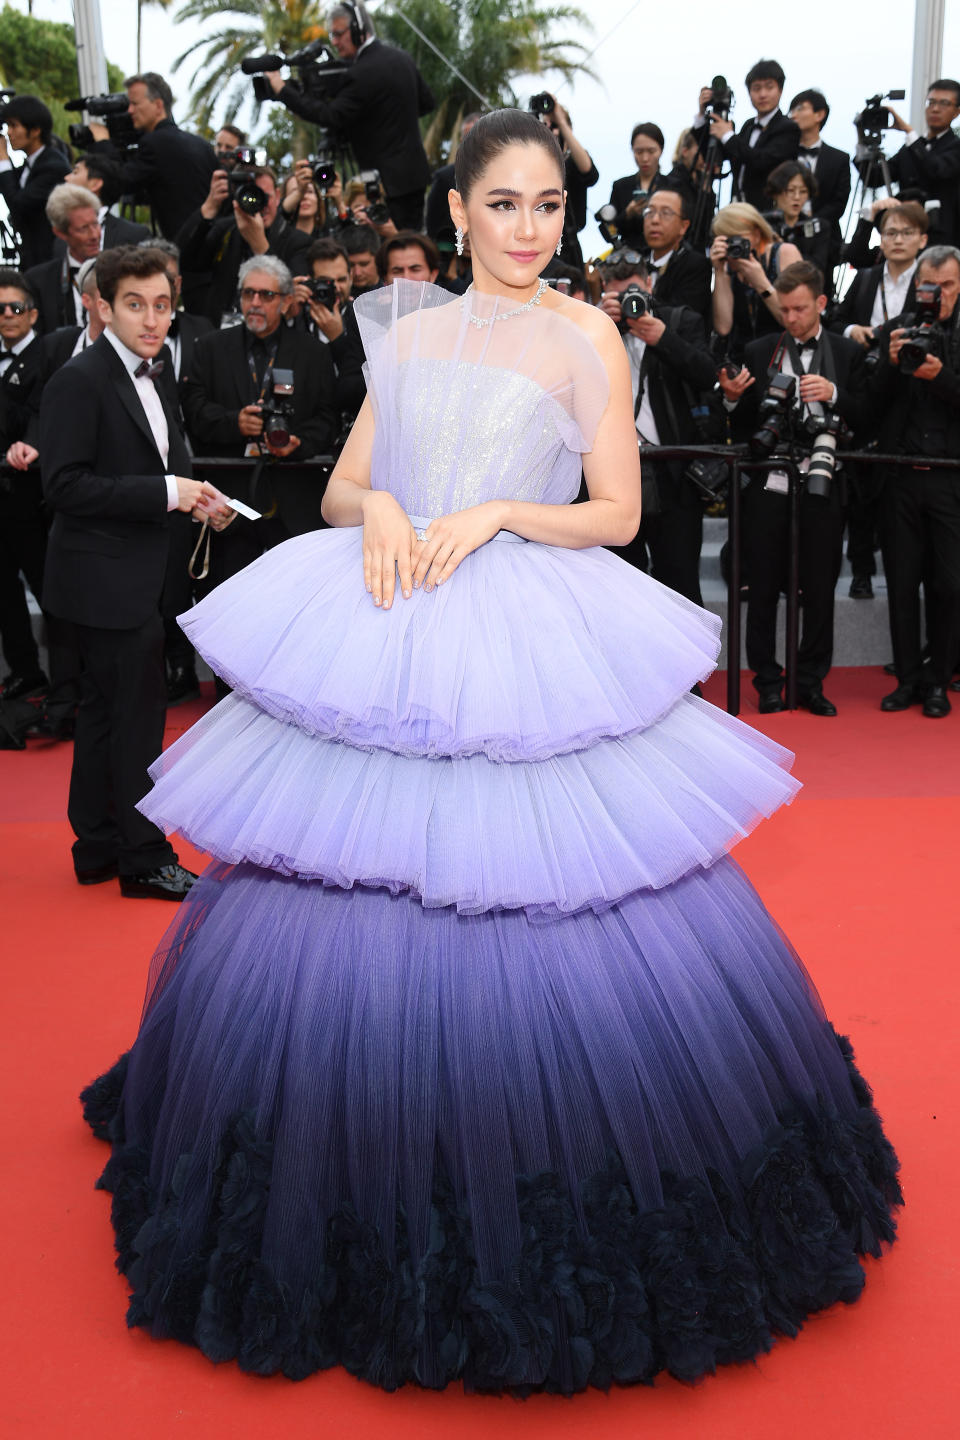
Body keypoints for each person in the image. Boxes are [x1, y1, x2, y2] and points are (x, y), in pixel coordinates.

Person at [80, 109, 900, 1395]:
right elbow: (349, 485)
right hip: (394, 609)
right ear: (454, 212)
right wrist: (393, 505)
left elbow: (622, 512)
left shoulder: (582, 334)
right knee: (350, 874)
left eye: (549, 209)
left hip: (520, 616)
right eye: (504, 206)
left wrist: (504, 513)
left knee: (541, 887)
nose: (530, 230)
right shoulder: (402, 327)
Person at [38, 246, 226, 898]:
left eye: (163, 306)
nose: (151, 320)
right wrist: (166, 494)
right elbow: (63, 486)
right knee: (134, 721)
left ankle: (95, 845)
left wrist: (197, 498)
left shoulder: (161, 370)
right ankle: (143, 859)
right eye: (135, 305)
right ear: (102, 305)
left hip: (140, 574)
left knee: (103, 715)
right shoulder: (79, 379)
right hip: (102, 583)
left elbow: (161, 465)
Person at [720, 261, 868, 716]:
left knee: (820, 587)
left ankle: (809, 682)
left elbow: (871, 417)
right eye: (784, 309)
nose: (791, 318)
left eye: (800, 309)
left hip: (825, 480)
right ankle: (767, 680)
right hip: (769, 485)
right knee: (761, 586)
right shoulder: (761, 348)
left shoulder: (846, 353)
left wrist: (836, 395)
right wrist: (730, 397)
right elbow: (746, 427)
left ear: (821, 303)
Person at [871, 245, 960, 717]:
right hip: (900, 476)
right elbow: (868, 409)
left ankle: (938, 682)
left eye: (946, 286)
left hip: (951, 480)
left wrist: (942, 376)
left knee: (949, 586)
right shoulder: (896, 330)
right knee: (902, 585)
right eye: (930, 286)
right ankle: (907, 679)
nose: (936, 296)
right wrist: (888, 362)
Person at [598, 253, 716, 605]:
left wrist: (664, 339)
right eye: (620, 296)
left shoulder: (681, 321)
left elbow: (708, 375)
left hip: (674, 474)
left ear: (650, 285)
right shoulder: (593, 327)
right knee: (618, 591)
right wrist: (598, 327)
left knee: (679, 586)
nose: (630, 304)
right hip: (612, 477)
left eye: (634, 291)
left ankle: (689, 662)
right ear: (605, 293)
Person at [265, 3, 435, 231]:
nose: (334, 42)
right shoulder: (402, 58)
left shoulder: (361, 72)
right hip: (414, 178)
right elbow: (427, 103)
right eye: (331, 35)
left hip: (384, 186)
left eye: (338, 34)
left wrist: (282, 90)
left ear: (358, 28)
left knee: (391, 249)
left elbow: (330, 115)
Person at [176, 164, 312, 325]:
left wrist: (260, 247)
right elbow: (182, 261)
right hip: (222, 334)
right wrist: (209, 207)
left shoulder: (299, 242)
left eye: (264, 196)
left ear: (277, 196)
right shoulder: (226, 231)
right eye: (250, 196)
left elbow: (292, 302)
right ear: (237, 198)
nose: (259, 204)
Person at [87, 72, 217, 241]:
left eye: (135, 104)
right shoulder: (202, 145)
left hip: (186, 250)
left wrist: (103, 142)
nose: (130, 111)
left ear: (158, 105)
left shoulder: (154, 143)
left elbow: (121, 181)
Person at [698, 60, 800, 211]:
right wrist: (702, 115)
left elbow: (762, 161)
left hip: (768, 212)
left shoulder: (788, 128)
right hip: (736, 207)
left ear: (780, 90)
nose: (762, 94)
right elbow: (716, 155)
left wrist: (728, 136)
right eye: (756, 88)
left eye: (769, 87)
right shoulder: (748, 126)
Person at [710, 201, 803, 360]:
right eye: (727, 240)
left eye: (739, 237)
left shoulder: (784, 253)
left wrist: (761, 282)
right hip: (742, 360)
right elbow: (723, 327)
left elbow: (797, 321)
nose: (734, 245)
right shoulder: (728, 266)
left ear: (757, 233)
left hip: (784, 357)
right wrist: (719, 272)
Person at [787, 88, 851, 288]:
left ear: (819, 114)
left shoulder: (839, 158)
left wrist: (811, 224)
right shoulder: (783, 154)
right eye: (791, 110)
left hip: (824, 241)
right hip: (786, 234)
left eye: (800, 109)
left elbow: (839, 203)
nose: (793, 115)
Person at [885, 79, 960, 248]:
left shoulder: (955, 146)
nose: (935, 109)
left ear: (956, 112)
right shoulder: (910, 149)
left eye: (944, 103)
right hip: (905, 236)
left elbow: (937, 170)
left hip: (941, 239)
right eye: (931, 102)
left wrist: (909, 132)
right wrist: (863, 142)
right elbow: (878, 177)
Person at [0, 95, 71, 268]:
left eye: (14, 125)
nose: (9, 133)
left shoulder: (53, 166)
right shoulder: (32, 163)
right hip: (32, 259)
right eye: (7, 125)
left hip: (48, 261)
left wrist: (3, 158)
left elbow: (18, 205)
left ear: (35, 130)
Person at [25, 184, 103, 332]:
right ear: (60, 233)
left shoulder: (119, 272)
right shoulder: (38, 281)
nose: (94, 235)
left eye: (95, 224)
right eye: (83, 228)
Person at [639, 186, 711, 324]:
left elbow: (685, 318)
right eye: (649, 212)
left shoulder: (695, 265)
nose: (655, 220)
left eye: (665, 213)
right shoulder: (635, 258)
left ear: (684, 226)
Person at [65, 155, 152, 247]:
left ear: (95, 184)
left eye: (75, 172)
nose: (66, 178)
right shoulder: (60, 231)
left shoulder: (134, 236)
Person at [765, 161, 832, 277]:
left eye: (803, 192)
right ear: (776, 192)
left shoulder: (818, 227)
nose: (797, 197)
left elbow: (818, 267)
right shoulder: (762, 224)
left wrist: (786, 251)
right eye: (790, 190)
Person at [607, 123, 666, 248]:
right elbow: (611, 229)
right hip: (629, 255)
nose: (645, 158)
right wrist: (628, 213)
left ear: (661, 150)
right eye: (639, 152)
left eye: (651, 151)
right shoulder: (621, 186)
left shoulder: (671, 186)